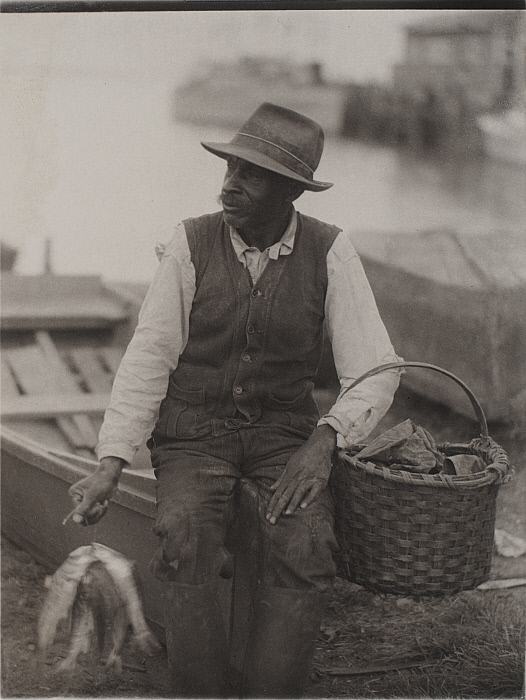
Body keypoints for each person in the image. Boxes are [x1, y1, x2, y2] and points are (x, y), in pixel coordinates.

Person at [68, 102, 401, 698]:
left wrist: (325, 441)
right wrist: (111, 462)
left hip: (284, 440)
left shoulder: (331, 251)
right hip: (194, 434)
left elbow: (377, 367)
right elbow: (148, 358)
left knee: (306, 543)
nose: (229, 184)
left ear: (289, 193)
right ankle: (201, 689)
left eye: (250, 174)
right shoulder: (190, 243)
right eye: (229, 168)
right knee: (184, 531)